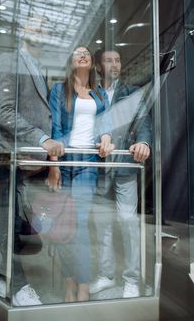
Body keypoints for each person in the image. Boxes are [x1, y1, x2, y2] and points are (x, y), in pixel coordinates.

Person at [0, 17, 64, 306]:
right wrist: (42, 139)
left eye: (43, 28)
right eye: (33, 26)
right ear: (22, 32)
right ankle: (19, 285)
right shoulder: (8, 59)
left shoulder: (37, 68)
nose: (39, 30)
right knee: (9, 222)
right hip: (7, 155)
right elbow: (4, 113)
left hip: (25, 161)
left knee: (10, 223)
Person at [47, 46, 114, 302]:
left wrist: (106, 137)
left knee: (80, 224)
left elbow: (106, 124)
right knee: (65, 223)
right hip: (65, 159)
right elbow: (54, 127)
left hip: (88, 161)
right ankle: (69, 281)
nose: (83, 55)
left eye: (86, 52)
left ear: (91, 62)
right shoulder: (59, 90)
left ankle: (83, 283)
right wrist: (53, 165)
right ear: (71, 62)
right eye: (77, 53)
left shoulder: (99, 93)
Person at [89, 48, 151, 298]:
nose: (115, 64)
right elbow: (85, 124)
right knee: (102, 224)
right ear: (99, 67)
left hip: (125, 166)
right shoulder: (91, 93)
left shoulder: (132, 92)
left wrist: (145, 143)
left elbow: (144, 121)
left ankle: (132, 279)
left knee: (127, 222)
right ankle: (106, 275)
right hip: (100, 167)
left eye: (118, 60)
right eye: (108, 60)